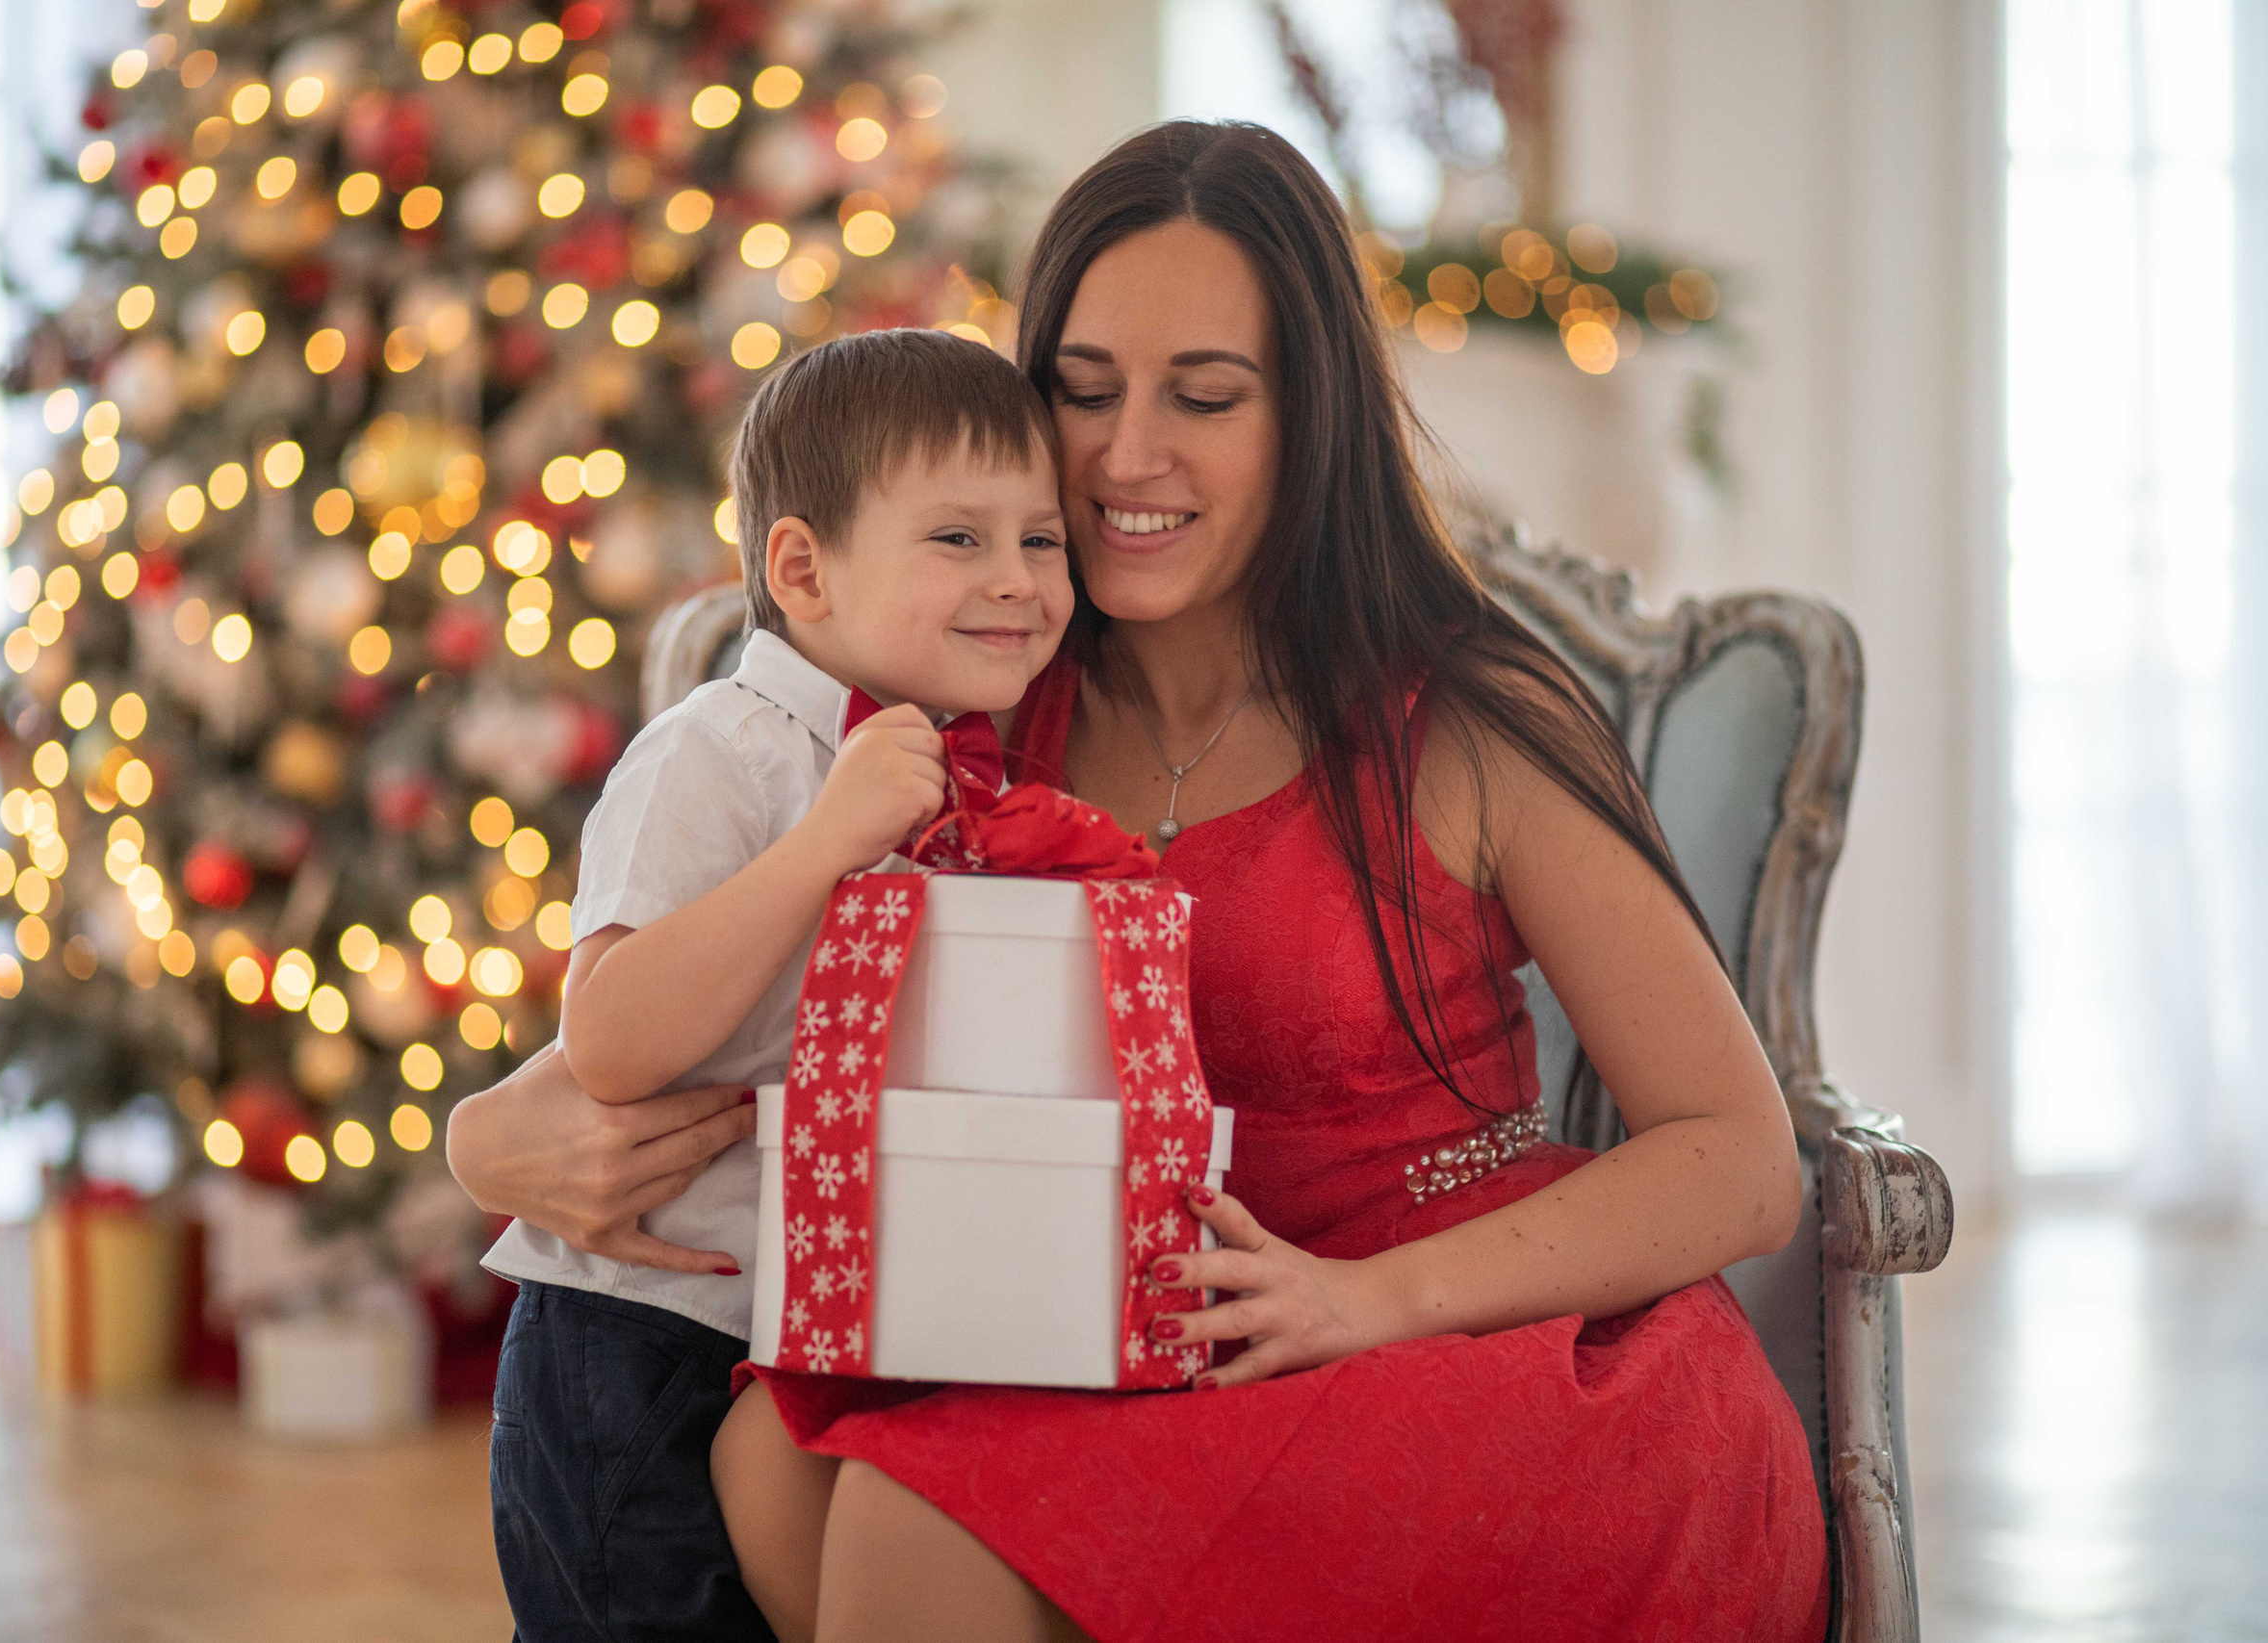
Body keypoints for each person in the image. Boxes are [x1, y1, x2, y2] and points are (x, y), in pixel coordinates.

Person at [454, 120, 1828, 1643]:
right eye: (1083, 391)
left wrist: (1366, 1303)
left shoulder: (1470, 716)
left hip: (1464, 1337)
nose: (1126, 456)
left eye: (1207, 396)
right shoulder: (973, 699)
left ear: (1313, 418)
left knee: (916, 1527)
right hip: (1102, 1324)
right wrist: (495, 1134)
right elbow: (749, 972)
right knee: (771, 1462)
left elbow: (1739, 1156)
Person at [476, 326, 1072, 1643]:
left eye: (1044, 540)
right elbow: (613, 1040)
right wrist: (822, 846)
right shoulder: (721, 756)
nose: (1020, 581)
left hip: (809, 1337)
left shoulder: (970, 772)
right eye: (960, 539)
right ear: (800, 568)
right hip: (641, 1344)